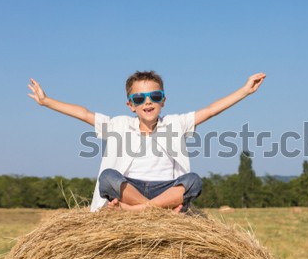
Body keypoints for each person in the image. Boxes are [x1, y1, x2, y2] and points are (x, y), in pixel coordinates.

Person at [28, 71, 266, 213]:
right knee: (108, 177)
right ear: (130, 105)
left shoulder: (176, 123)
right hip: (130, 189)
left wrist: (244, 91)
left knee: (193, 182)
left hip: (166, 189)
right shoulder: (119, 125)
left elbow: (211, 110)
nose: (148, 102)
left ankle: (137, 213)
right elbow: (85, 113)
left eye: (155, 96)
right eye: (139, 98)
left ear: (163, 100)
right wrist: (47, 101)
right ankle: (154, 212)